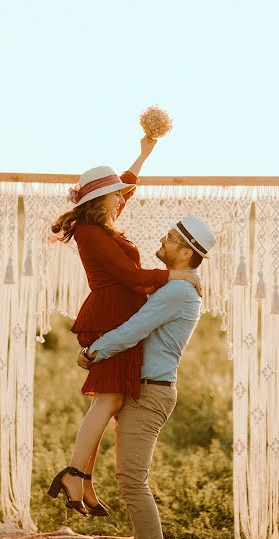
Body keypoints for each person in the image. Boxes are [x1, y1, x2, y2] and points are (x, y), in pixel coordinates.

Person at [47, 137, 202, 518]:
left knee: (112, 400)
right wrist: (176, 275)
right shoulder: (89, 232)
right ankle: (74, 475)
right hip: (108, 315)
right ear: (99, 201)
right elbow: (131, 277)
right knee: (106, 400)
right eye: (114, 195)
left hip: (118, 313)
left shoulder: (103, 222)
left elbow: (128, 184)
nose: (122, 198)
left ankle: (82, 479)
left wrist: (146, 150)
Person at [77, 214, 217, 539]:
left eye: (170, 238)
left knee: (132, 482)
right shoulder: (174, 287)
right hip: (143, 388)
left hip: (151, 392)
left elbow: (134, 329)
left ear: (186, 252)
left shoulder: (177, 293)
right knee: (132, 481)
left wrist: (94, 351)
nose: (163, 239)